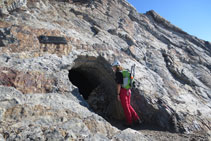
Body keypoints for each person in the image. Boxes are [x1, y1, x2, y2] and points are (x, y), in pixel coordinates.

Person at [112, 60, 141, 127]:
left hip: (123, 92)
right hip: (128, 91)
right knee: (128, 106)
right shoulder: (124, 72)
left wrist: (118, 94)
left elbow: (119, 84)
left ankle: (129, 122)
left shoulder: (118, 73)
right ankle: (137, 120)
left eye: (113, 67)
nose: (113, 68)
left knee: (126, 108)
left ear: (116, 67)